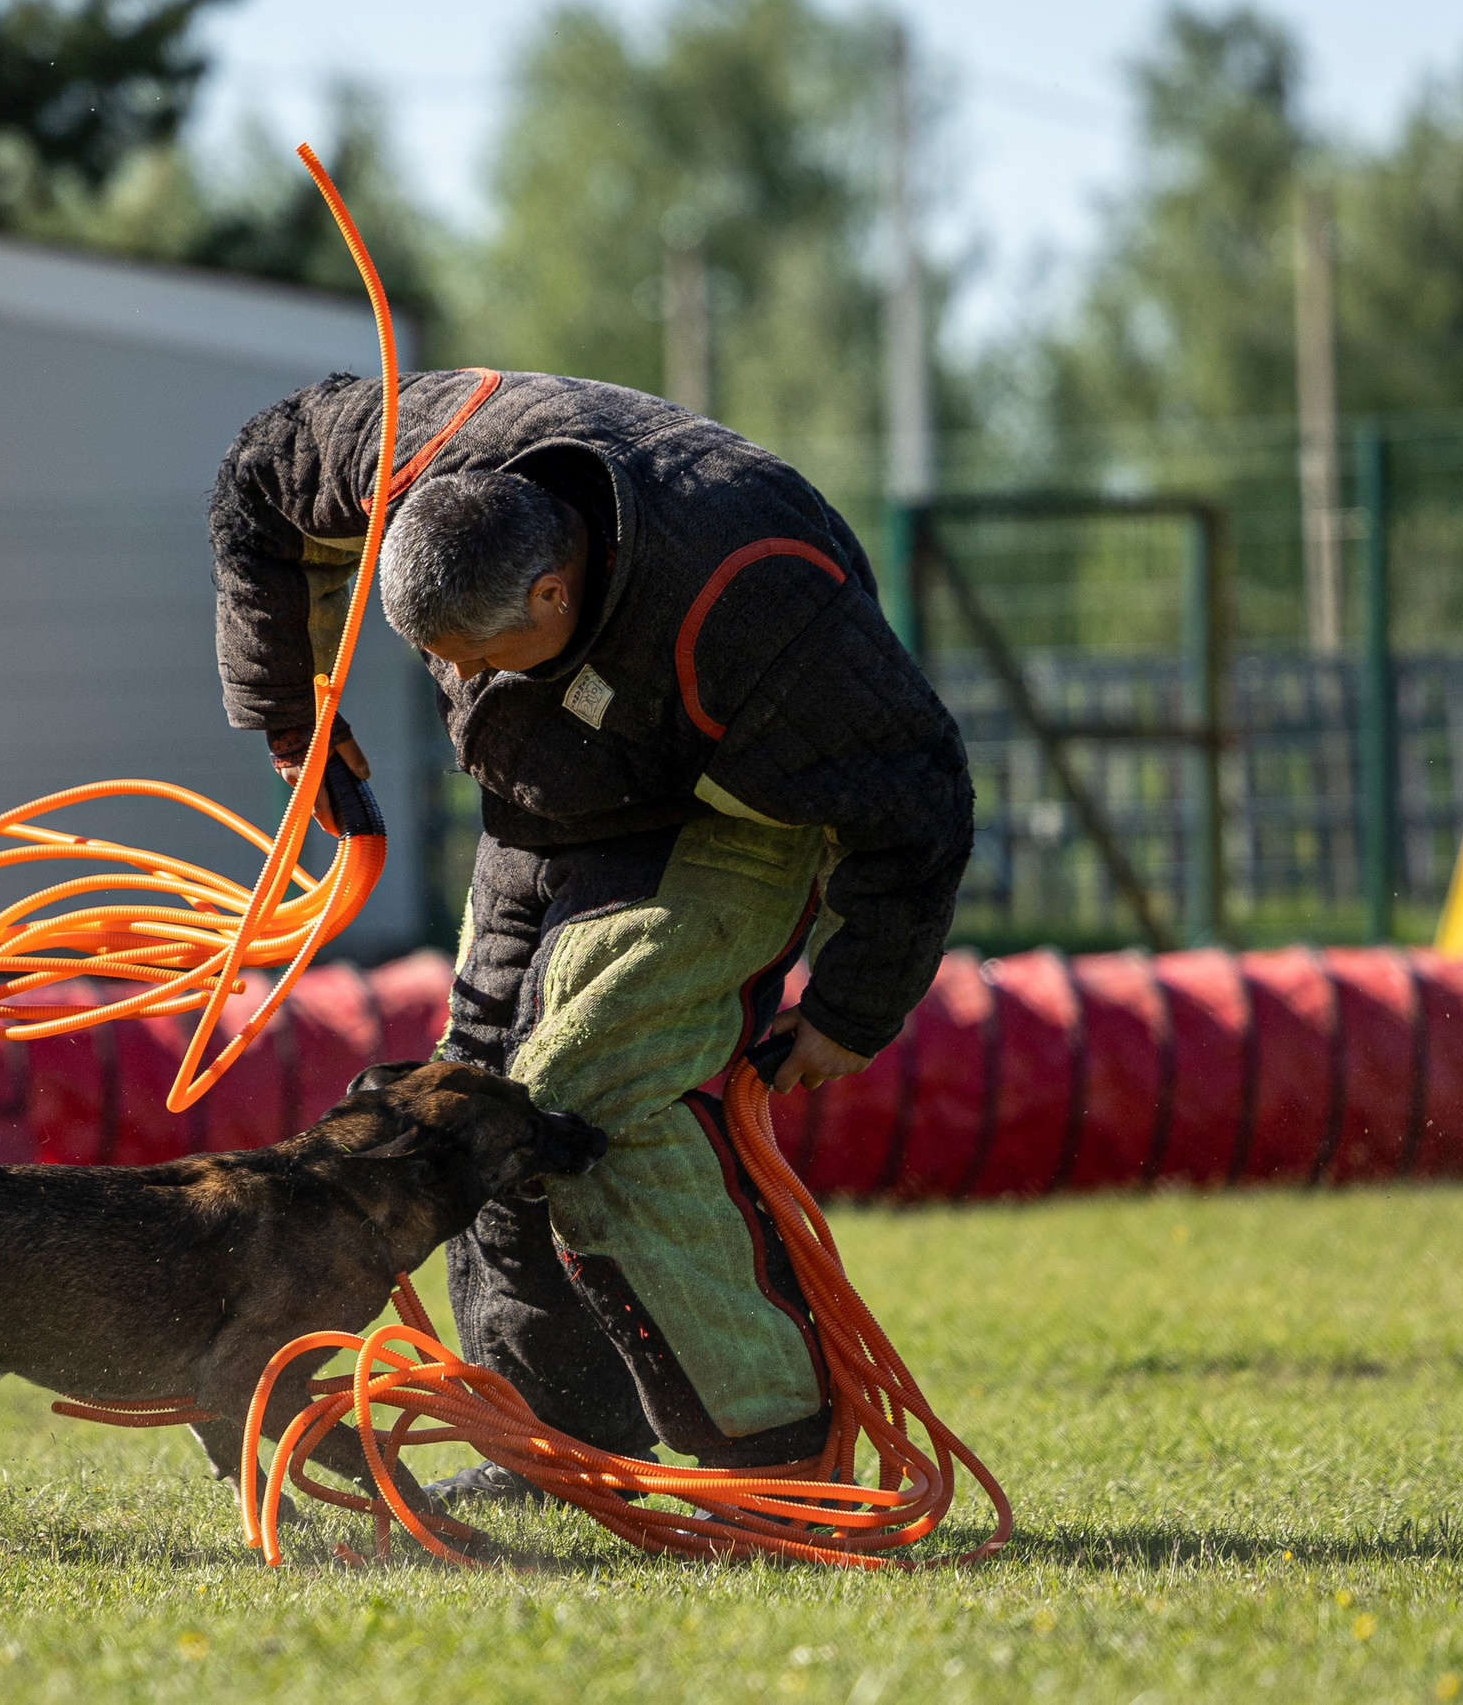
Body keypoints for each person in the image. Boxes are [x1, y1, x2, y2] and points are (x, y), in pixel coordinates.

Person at [205, 368, 973, 1499]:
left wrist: (856, 1004)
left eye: (473, 650)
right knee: (474, 1106)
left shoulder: (759, 604)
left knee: (577, 1095)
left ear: (556, 592)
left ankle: (776, 1453)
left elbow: (917, 794)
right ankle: (553, 1443)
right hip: (543, 799)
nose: (455, 679)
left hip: (726, 816)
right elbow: (261, 475)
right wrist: (289, 709)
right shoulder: (427, 448)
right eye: (439, 656)